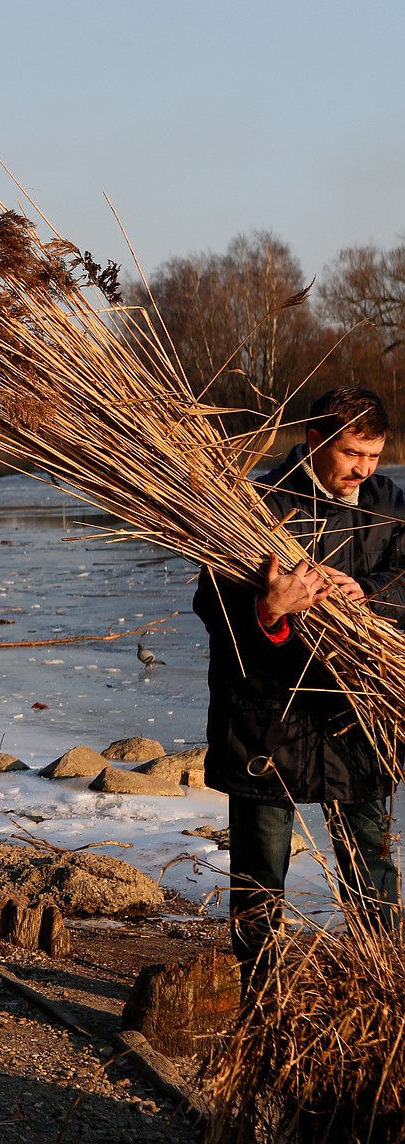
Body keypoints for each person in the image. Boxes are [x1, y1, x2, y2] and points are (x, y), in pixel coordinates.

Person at [195, 387, 405, 993]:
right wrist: (270, 609)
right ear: (315, 440)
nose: (363, 469)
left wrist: (370, 595)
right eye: (351, 453)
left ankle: (385, 990)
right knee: (259, 877)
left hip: (359, 719)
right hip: (267, 723)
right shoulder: (254, 508)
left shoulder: (390, 506)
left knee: (373, 873)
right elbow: (212, 605)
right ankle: (261, 998)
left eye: (374, 455)